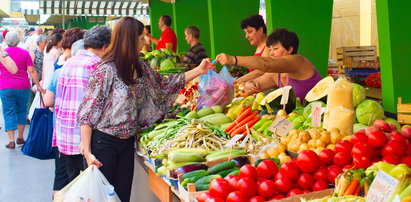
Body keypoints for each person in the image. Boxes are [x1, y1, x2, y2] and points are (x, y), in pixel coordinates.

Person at [77, 17, 209, 202]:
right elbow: (88, 113)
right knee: (100, 198)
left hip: (126, 143)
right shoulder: (105, 70)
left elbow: (165, 84)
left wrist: (199, 71)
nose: (147, 42)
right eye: (142, 38)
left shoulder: (140, 68)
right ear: (130, 40)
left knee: (121, 197)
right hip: (103, 144)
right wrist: (87, 152)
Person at [53, 25, 111, 185]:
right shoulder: (97, 65)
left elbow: (58, 103)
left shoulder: (69, 63)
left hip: (67, 137)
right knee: (92, 189)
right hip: (86, 141)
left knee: (74, 185)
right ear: (105, 46)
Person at [216, 28, 323, 101]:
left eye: (275, 49)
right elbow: (255, 84)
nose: (271, 53)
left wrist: (233, 59)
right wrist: (249, 85)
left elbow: (267, 64)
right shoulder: (277, 74)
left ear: (290, 49)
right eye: (270, 49)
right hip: (295, 118)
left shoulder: (298, 61)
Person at [0, 31, 44, 149]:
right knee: (21, 111)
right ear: (18, 40)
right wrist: (38, 84)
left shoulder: (2, 53)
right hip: (22, 86)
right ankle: (20, 137)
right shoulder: (24, 53)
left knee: (8, 112)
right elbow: (32, 70)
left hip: (5, 86)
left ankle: (11, 141)